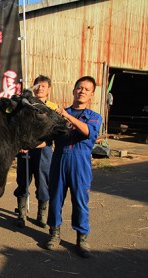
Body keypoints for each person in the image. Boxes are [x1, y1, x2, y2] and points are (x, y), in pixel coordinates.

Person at [45, 76, 102, 258]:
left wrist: (67, 116)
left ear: (91, 94)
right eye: (79, 88)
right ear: (74, 90)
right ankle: (54, 234)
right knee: (55, 199)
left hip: (81, 162)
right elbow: (48, 136)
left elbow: (87, 132)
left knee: (80, 201)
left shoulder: (93, 117)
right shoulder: (58, 114)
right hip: (59, 159)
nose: (82, 91)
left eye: (86, 89)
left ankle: (82, 238)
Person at [14, 75, 58, 228]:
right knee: (23, 182)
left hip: (43, 152)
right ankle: (21, 214)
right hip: (25, 151)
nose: (40, 89)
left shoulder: (53, 107)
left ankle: (42, 214)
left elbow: (54, 132)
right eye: (37, 86)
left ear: (49, 89)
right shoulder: (25, 105)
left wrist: (36, 144)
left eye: (43, 86)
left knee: (43, 183)